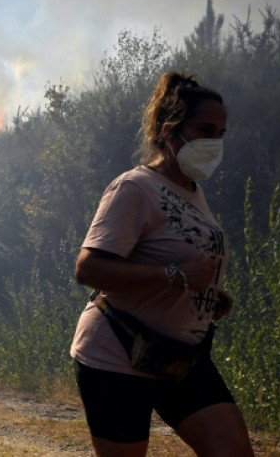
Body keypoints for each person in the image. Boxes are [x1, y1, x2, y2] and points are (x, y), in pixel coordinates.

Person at [70, 72, 254, 457]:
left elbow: (175, 262)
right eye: (205, 130)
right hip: (118, 354)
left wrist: (208, 295)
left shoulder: (193, 191)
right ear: (171, 130)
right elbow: (88, 269)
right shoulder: (134, 187)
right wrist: (176, 276)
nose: (215, 142)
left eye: (221, 133)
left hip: (180, 359)